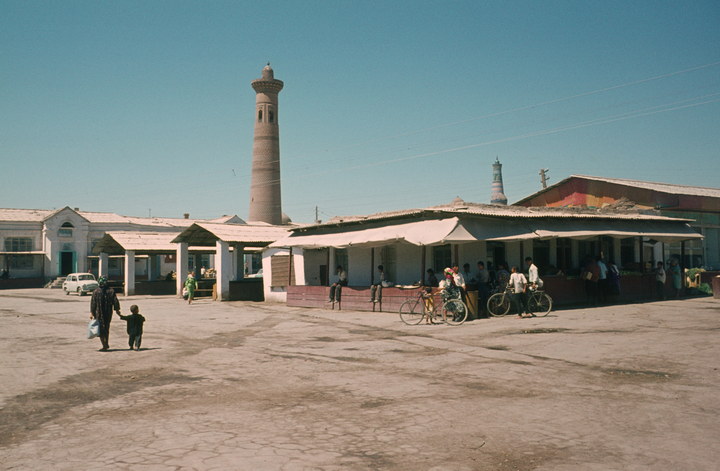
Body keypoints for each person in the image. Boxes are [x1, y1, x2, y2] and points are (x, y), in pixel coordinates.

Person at [90, 276, 121, 351]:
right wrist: (117, 310)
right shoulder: (111, 291)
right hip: (108, 313)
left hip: (99, 313)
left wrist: (92, 312)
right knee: (106, 327)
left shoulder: (96, 291)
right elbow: (115, 301)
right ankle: (105, 343)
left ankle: (104, 344)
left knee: (101, 328)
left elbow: (93, 303)